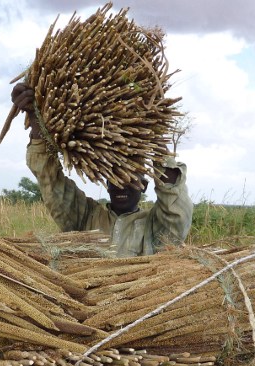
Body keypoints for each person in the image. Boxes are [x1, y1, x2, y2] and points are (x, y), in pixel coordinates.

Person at [11, 83, 193, 257]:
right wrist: (35, 117)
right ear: (106, 184)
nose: (121, 186)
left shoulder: (154, 226)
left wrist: (154, 130)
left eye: (130, 178)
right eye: (114, 178)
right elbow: (50, 179)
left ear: (144, 186)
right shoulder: (85, 216)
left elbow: (175, 206)